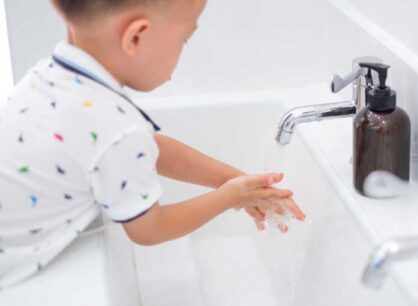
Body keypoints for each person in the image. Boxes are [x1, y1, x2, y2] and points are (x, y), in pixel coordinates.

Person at [0, 0, 305, 289]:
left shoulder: (53, 74)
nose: (182, 51)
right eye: (184, 40)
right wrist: (230, 197)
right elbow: (150, 229)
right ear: (136, 37)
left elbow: (149, 149)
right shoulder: (115, 126)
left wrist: (235, 181)